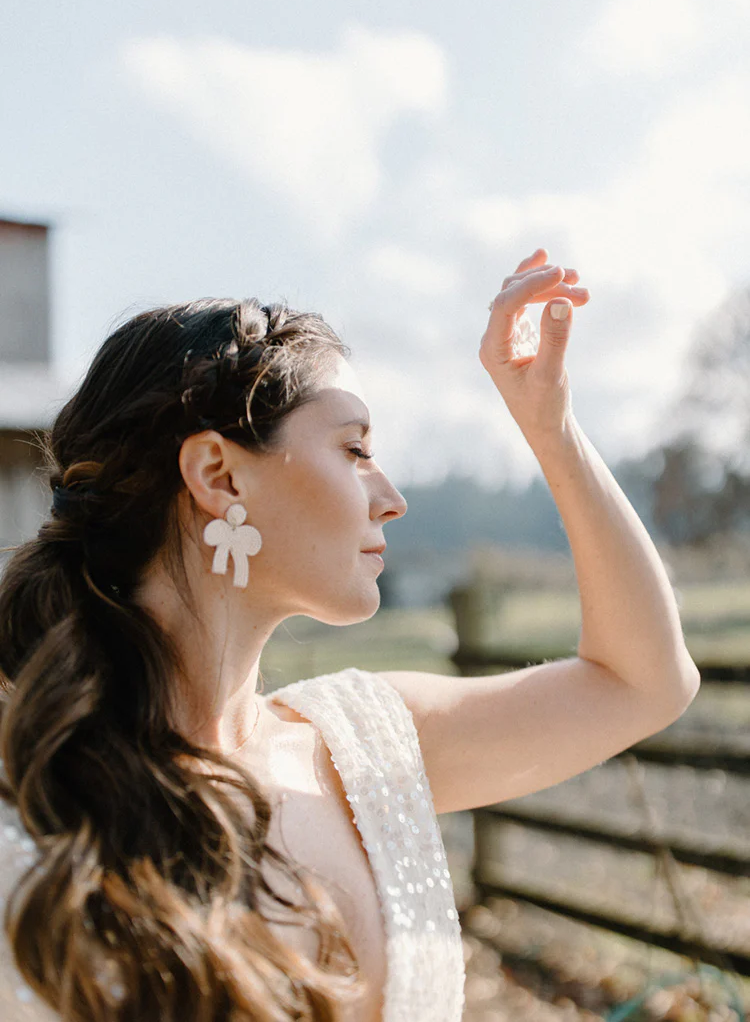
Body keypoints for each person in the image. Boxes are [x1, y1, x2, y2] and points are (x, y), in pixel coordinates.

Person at [0, 248, 700, 1022]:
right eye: (355, 448)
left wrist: (553, 428)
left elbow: (644, 681)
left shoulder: (366, 745)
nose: (392, 498)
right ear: (219, 475)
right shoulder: (32, 832)